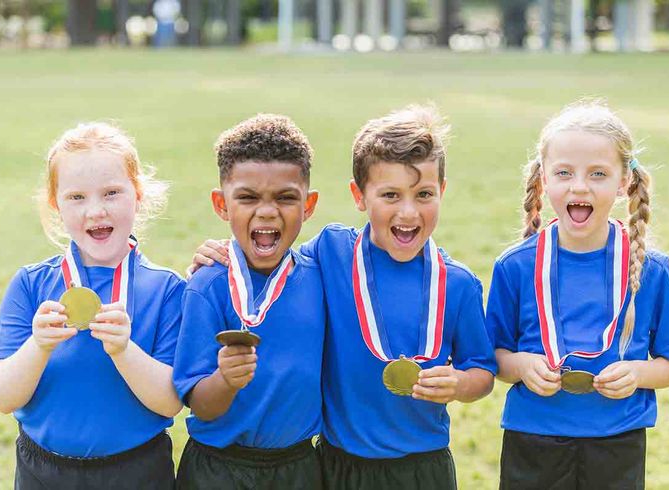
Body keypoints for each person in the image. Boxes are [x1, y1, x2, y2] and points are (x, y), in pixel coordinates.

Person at [189, 105, 496, 489]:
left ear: (442, 192)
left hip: (423, 466)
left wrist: (460, 384)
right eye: (390, 194)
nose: (407, 211)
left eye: (423, 194)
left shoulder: (459, 284)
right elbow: (272, 260)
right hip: (337, 466)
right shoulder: (332, 252)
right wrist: (219, 255)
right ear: (359, 195)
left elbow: (482, 371)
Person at [486, 100, 669, 489]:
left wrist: (640, 372)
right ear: (544, 179)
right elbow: (491, 356)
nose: (579, 186)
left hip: (619, 440)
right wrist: (523, 366)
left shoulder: (651, 270)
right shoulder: (514, 267)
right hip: (533, 438)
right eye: (564, 172)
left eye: (598, 174)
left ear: (624, 182)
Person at [0, 122, 184, 490]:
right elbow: (2, 396)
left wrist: (124, 351)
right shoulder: (30, 285)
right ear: (55, 205)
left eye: (111, 193)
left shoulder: (168, 289)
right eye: (77, 197)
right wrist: (39, 345)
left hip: (138, 471)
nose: (95, 211)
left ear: (137, 195)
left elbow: (170, 403)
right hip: (43, 472)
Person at [173, 114, 324, 489]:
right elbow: (201, 405)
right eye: (248, 197)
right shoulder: (205, 286)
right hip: (218, 470)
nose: (267, 211)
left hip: (300, 466)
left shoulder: (322, 276)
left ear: (309, 205)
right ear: (222, 204)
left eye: (286, 197)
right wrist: (225, 379)